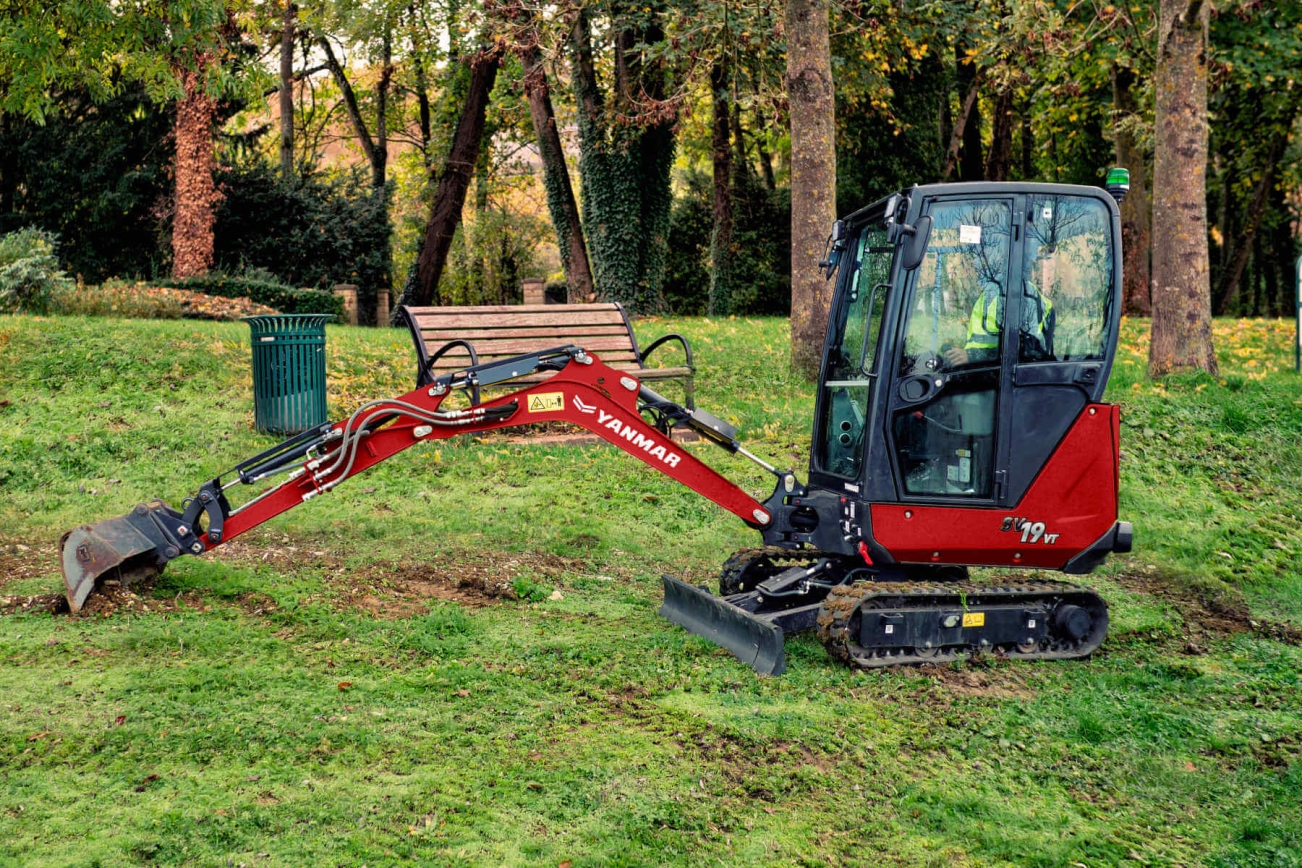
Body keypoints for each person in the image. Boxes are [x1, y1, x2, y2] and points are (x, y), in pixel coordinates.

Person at [943, 277, 1055, 367]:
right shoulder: (990, 293)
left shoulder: (1017, 293)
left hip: (1002, 379)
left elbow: (1024, 351)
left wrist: (972, 356)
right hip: (982, 372)